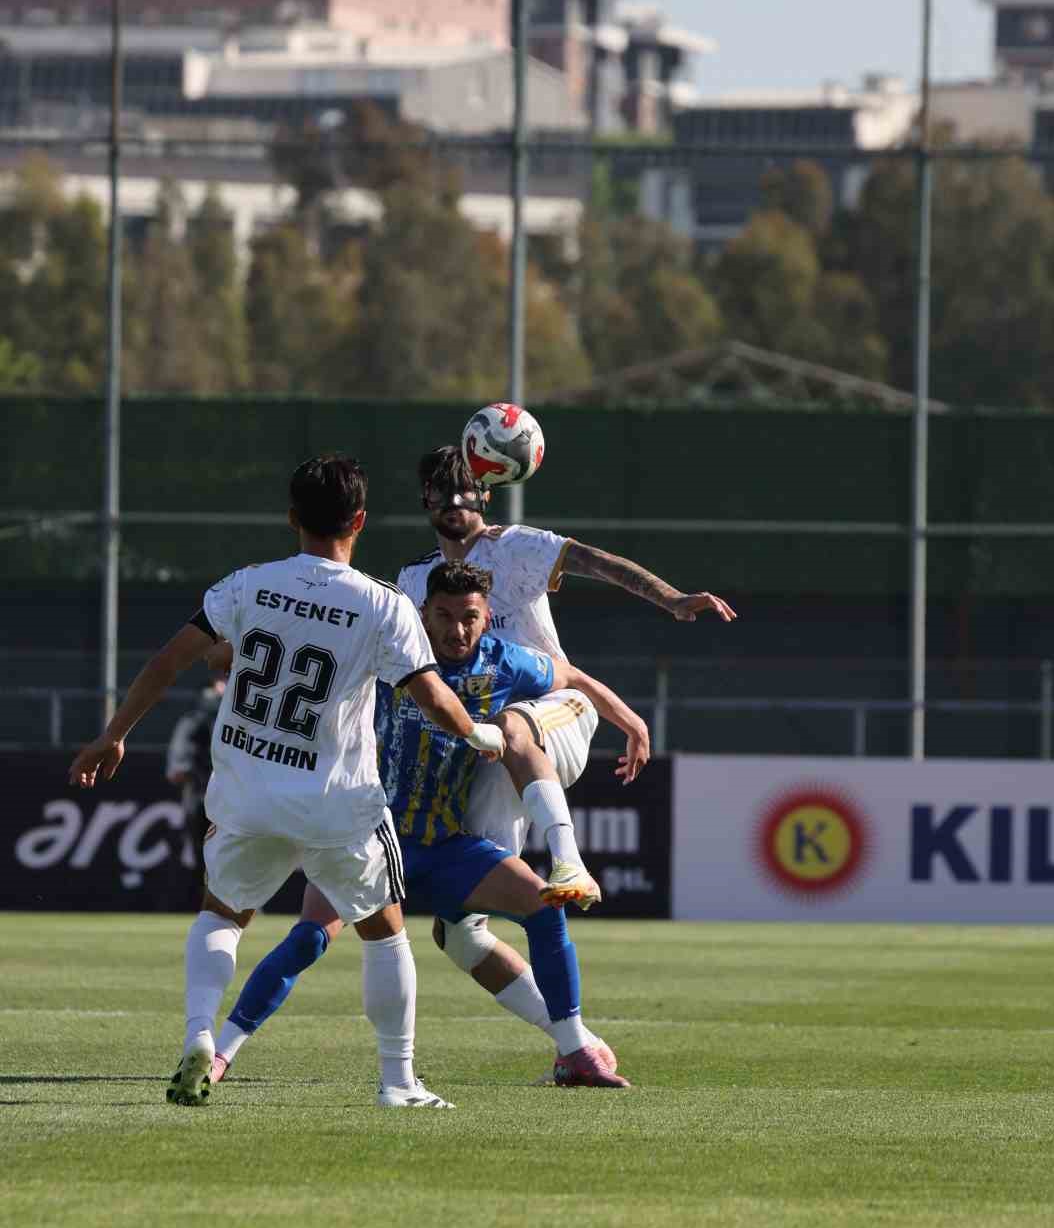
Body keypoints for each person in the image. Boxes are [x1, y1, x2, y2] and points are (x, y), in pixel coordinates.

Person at [68, 454, 505, 1111]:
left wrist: (115, 733)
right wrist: (482, 736)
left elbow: (168, 662)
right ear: (359, 520)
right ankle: (398, 1081)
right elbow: (434, 700)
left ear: (292, 518)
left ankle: (198, 1035)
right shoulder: (381, 604)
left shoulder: (248, 585)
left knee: (222, 915)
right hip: (337, 802)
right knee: (384, 932)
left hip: (247, 792)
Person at [211, 560, 646, 1088]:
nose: (456, 629)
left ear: (487, 620)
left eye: (469, 617)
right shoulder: (391, 650)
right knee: (309, 938)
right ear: (423, 614)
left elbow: (573, 678)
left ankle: (575, 1050)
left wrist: (631, 722)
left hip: (442, 846)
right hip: (366, 836)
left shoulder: (506, 664)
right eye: (444, 615)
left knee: (543, 905)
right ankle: (220, 1053)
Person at [396, 445, 736, 1065]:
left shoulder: (514, 547)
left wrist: (673, 599)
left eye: (463, 491)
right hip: (487, 755)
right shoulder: (414, 582)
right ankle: (573, 1045)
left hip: (557, 719)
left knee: (512, 724)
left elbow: (594, 564)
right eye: (439, 493)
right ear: (424, 501)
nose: (451, 503)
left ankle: (570, 861)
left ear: (486, 493)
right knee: (459, 933)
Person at [166, 656, 228, 897]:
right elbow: (178, 770)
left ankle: (230, 901)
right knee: (204, 851)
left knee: (227, 851)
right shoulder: (194, 721)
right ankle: (208, 898)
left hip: (225, 794)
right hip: (204, 793)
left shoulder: (234, 719)